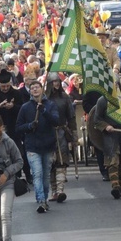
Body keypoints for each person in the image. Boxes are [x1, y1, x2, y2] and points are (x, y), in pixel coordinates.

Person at [15, 80, 59, 213]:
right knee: (37, 173)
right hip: (32, 146)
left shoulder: (50, 105)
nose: (34, 90)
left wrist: (44, 111)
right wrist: (29, 126)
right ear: (29, 91)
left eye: (37, 87)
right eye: (32, 88)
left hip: (48, 145)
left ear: (42, 89)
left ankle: (45, 198)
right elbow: (18, 127)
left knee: (46, 175)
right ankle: (40, 200)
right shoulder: (25, 107)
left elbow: (56, 121)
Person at [45, 73, 77, 203]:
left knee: (61, 162)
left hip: (62, 133)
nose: (56, 84)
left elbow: (71, 117)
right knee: (50, 163)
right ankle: (54, 192)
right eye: (53, 82)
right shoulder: (44, 99)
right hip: (47, 134)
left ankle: (60, 190)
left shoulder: (65, 98)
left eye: (58, 81)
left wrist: (74, 135)